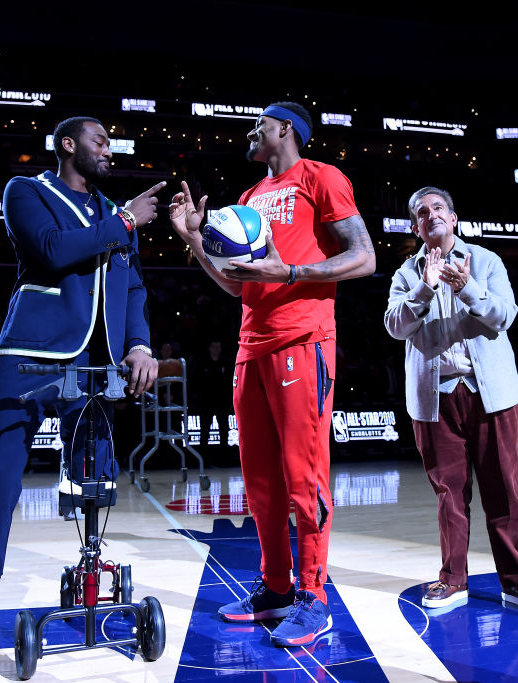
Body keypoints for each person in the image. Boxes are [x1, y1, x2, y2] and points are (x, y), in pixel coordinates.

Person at [0, 116, 162, 672]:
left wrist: (138, 344)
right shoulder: (27, 192)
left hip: (92, 362)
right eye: (99, 141)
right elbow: (54, 251)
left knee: (96, 480)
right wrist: (127, 219)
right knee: (0, 479)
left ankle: (94, 580)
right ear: (68, 145)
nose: (109, 149)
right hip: (29, 356)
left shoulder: (112, 213)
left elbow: (131, 286)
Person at [168, 101, 375, 647]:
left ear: (285, 128)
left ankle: (314, 597)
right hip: (250, 346)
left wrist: (291, 272)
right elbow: (237, 286)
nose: (250, 131)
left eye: (260, 122)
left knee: (304, 479)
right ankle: (276, 589)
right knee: (260, 485)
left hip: (303, 340)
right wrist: (193, 238)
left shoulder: (321, 177)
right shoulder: (248, 198)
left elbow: (364, 256)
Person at [383, 187, 518, 614]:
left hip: (491, 393)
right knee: (450, 495)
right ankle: (453, 581)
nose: (431, 215)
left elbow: (505, 315)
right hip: (435, 399)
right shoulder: (407, 273)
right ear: (416, 227)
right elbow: (394, 325)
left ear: (454, 218)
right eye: (422, 212)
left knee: (503, 491)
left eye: (438, 207)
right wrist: (424, 289)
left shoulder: (487, 261)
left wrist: (468, 288)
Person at [191, 339, 234, 463]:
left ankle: (224, 459)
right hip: (206, 403)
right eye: (214, 346)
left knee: (224, 431)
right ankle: (202, 460)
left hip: (222, 403)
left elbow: (229, 382)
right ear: (209, 348)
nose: (216, 349)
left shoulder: (226, 363)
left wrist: (230, 400)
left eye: (218, 346)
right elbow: (197, 382)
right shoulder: (202, 363)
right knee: (204, 431)